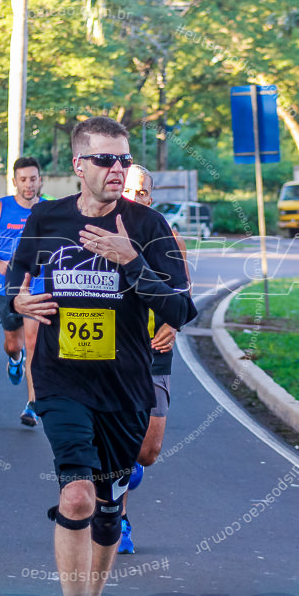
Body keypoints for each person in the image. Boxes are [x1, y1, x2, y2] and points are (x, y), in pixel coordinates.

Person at [7, 117, 196, 596]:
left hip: (125, 387)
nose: (118, 169)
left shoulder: (149, 227)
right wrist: (20, 303)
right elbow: (11, 287)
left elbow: (180, 309)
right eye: (106, 159)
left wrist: (131, 260)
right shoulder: (46, 218)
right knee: (76, 497)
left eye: (125, 160)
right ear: (79, 165)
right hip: (60, 380)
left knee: (109, 510)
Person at [117, 165, 189, 555]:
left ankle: (129, 469)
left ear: (151, 197)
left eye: (143, 192)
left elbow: (183, 289)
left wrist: (174, 325)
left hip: (155, 350)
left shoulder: (165, 236)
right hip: (112, 353)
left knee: (147, 451)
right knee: (117, 442)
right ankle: (120, 519)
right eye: (129, 189)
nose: (136, 196)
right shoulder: (99, 234)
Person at [0, 157, 44, 426]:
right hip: (5, 286)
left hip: (37, 285)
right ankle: (15, 359)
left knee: (34, 342)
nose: (29, 184)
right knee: (14, 344)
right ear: (15, 181)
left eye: (33, 178)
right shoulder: (3, 207)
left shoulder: (47, 209)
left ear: (40, 180)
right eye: (23, 179)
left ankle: (32, 406)